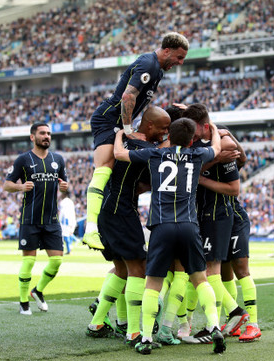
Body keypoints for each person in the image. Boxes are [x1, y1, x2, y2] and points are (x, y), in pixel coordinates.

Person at [113, 118, 226, 355]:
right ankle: (214, 325)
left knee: (153, 283)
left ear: (169, 137)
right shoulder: (197, 155)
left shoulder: (154, 154)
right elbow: (217, 148)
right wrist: (213, 129)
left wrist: (119, 134)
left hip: (162, 226)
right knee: (200, 278)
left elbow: (119, 153)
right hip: (188, 224)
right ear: (191, 139)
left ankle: (145, 337)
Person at [82, 32, 189, 251]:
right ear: (167, 50)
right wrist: (128, 129)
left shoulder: (157, 69)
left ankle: (95, 225)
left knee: (109, 170)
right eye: (178, 57)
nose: (179, 63)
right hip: (109, 118)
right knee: (104, 168)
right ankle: (90, 228)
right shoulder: (149, 63)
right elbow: (128, 97)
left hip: (117, 121)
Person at [86, 106, 171, 346]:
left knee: (121, 269)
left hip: (107, 209)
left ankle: (98, 323)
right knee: (139, 268)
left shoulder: (128, 140)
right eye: (163, 128)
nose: (165, 133)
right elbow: (164, 149)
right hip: (120, 211)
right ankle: (134, 332)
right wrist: (177, 134)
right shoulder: (141, 146)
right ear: (150, 125)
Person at [181, 104, 249, 344]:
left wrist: (199, 179)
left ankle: (220, 322)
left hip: (216, 214)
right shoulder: (210, 144)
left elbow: (234, 188)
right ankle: (227, 317)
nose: (191, 133)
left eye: (194, 128)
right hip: (204, 214)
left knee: (210, 272)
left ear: (204, 126)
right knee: (204, 271)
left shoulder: (224, 143)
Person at [3, 122, 69, 315]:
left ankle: (37, 290)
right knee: (29, 262)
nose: (46, 136)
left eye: (48, 133)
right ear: (33, 137)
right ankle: (24, 301)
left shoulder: (58, 159)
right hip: (30, 218)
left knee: (57, 261)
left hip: (51, 219)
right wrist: (20, 187)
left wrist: (65, 186)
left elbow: (63, 182)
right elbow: (7, 185)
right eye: (42, 133)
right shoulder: (23, 159)